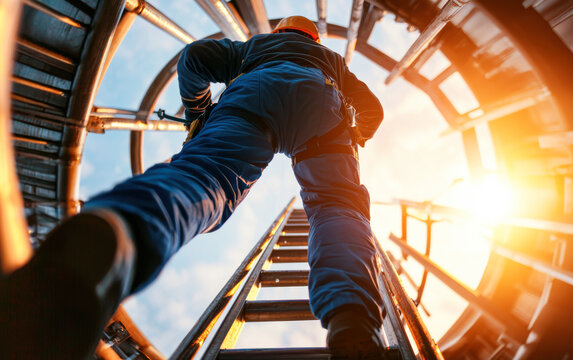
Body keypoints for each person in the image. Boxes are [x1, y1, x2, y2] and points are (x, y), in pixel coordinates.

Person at [0, 16, 384, 359]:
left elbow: (195, 57)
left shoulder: (257, 46)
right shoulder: (332, 60)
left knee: (206, 178)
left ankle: (115, 238)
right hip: (321, 101)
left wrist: (198, 114)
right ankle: (352, 321)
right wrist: (352, 132)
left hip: (253, 94)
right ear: (313, 39)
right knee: (337, 206)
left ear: (280, 31)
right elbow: (373, 109)